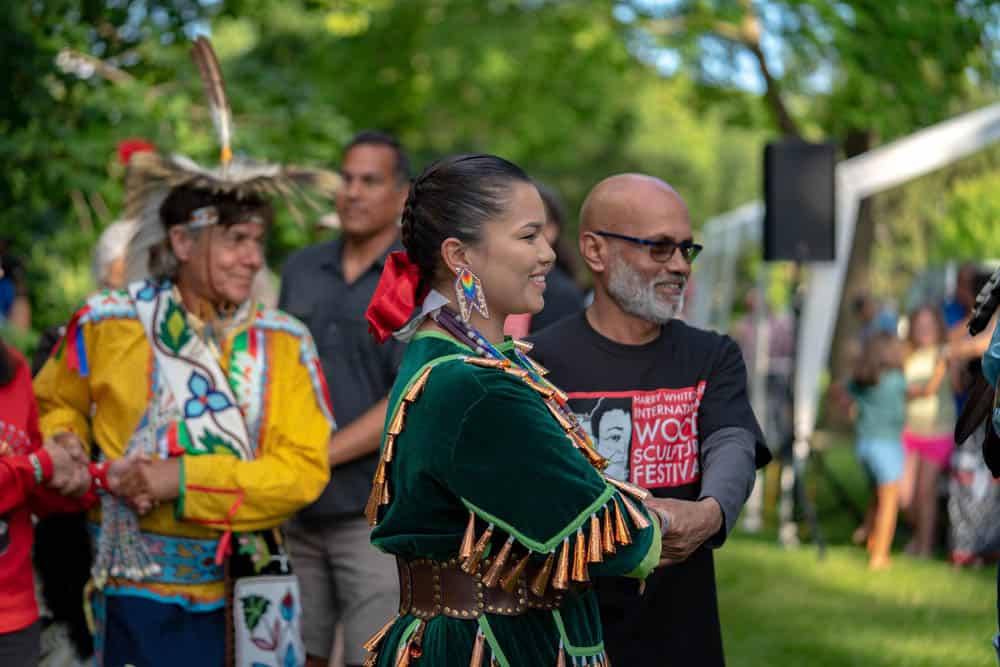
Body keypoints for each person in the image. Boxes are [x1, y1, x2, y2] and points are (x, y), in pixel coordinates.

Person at [33, 37, 334, 667]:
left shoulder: (281, 342)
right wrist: (63, 442)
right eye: (235, 240)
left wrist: (182, 479)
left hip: (246, 585)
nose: (253, 258)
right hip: (129, 584)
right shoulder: (108, 322)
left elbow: (302, 470)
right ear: (182, 240)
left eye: (258, 240)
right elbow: (56, 405)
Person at [360, 154, 663, 665]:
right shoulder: (473, 386)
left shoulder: (453, 358)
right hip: (494, 645)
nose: (548, 254)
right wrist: (684, 521)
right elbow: (618, 539)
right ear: (460, 255)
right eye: (527, 237)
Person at [528, 173, 769, 666]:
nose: (679, 265)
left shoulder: (711, 355)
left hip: (680, 637)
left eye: (686, 249)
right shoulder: (536, 362)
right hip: (562, 638)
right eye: (660, 248)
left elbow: (733, 442)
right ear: (595, 250)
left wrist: (710, 512)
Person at [278, 130, 409, 667]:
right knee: (287, 655)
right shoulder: (302, 267)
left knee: (370, 657)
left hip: (370, 515)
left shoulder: (414, 278)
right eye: (347, 179)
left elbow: (404, 396)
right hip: (292, 510)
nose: (353, 192)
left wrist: (315, 457)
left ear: (401, 194)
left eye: (370, 181)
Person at [0, 335, 118, 664]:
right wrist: (40, 465)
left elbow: (35, 485)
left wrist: (93, 479)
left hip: (13, 619)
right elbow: (36, 465)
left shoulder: (14, 370)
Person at [838, 332, 907, 569]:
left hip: (865, 447)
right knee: (890, 502)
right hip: (887, 448)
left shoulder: (861, 380)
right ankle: (880, 556)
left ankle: (868, 535)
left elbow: (838, 391)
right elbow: (924, 392)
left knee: (878, 495)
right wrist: (940, 370)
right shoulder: (896, 380)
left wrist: (848, 409)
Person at [899, 305, 954, 558]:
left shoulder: (944, 353)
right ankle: (920, 535)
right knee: (905, 496)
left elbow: (949, 385)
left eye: (929, 325)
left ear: (937, 327)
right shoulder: (906, 355)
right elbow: (902, 389)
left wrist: (951, 367)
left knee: (925, 492)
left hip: (937, 432)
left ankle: (925, 546)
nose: (924, 330)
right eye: (919, 325)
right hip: (910, 432)